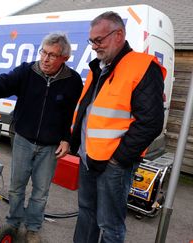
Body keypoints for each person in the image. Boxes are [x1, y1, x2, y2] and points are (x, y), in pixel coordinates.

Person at [0, 33, 83, 243]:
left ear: (64, 58)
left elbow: (70, 113)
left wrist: (67, 140)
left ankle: (33, 228)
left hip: (49, 146)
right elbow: (4, 82)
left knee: (41, 191)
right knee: (16, 187)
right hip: (23, 140)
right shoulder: (27, 71)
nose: (45, 59)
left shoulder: (72, 81)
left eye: (52, 55)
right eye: (43, 52)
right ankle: (14, 221)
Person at [70, 11, 166, 243]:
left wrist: (119, 159)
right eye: (91, 41)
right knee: (86, 213)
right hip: (88, 157)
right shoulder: (101, 67)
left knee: (110, 225)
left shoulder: (142, 66)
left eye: (98, 40)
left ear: (119, 35)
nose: (94, 46)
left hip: (113, 164)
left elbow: (151, 122)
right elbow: (89, 111)